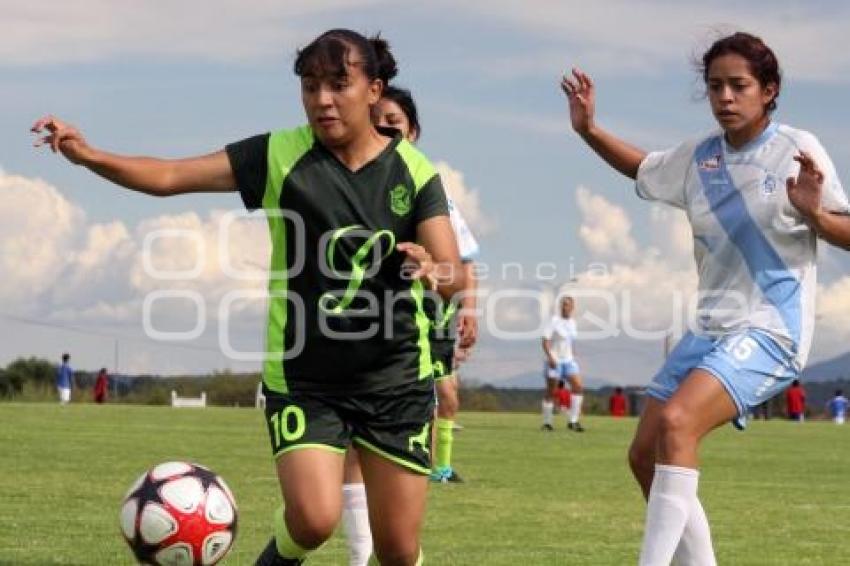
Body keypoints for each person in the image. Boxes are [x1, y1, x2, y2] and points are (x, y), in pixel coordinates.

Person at [32, 28, 465, 566]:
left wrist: (429, 265)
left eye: (338, 84)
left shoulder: (415, 172)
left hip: (396, 376)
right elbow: (171, 175)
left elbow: (453, 273)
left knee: (399, 551)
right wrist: (89, 155)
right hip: (305, 377)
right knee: (313, 519)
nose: (322, 100)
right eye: (310, 87)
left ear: (374, 90)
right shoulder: (279, 155)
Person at [562, 31, 850, 565]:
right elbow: (642, 167)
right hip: (709, 330)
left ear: (769, 90)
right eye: (715, 86)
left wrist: (813, 212)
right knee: (644, 455)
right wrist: (589, 130)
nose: (725, 97)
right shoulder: (699, 158)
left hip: (771, 329)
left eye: (739, 85)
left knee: (678, 424)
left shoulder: (797, 149)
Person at [541, 296, 585, 432]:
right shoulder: (554, 321)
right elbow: (545, 340)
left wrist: (572, 354)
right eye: (563, 305)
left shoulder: (573, 322)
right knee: (551, 391)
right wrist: (550, 357)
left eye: (568, 305)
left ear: (572, 307)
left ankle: (573, 421)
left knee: (578, 387)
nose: (565, 307)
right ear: (560, 307)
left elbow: (569, 341)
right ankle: (547, 423)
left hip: (568, 360)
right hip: (555, 361)